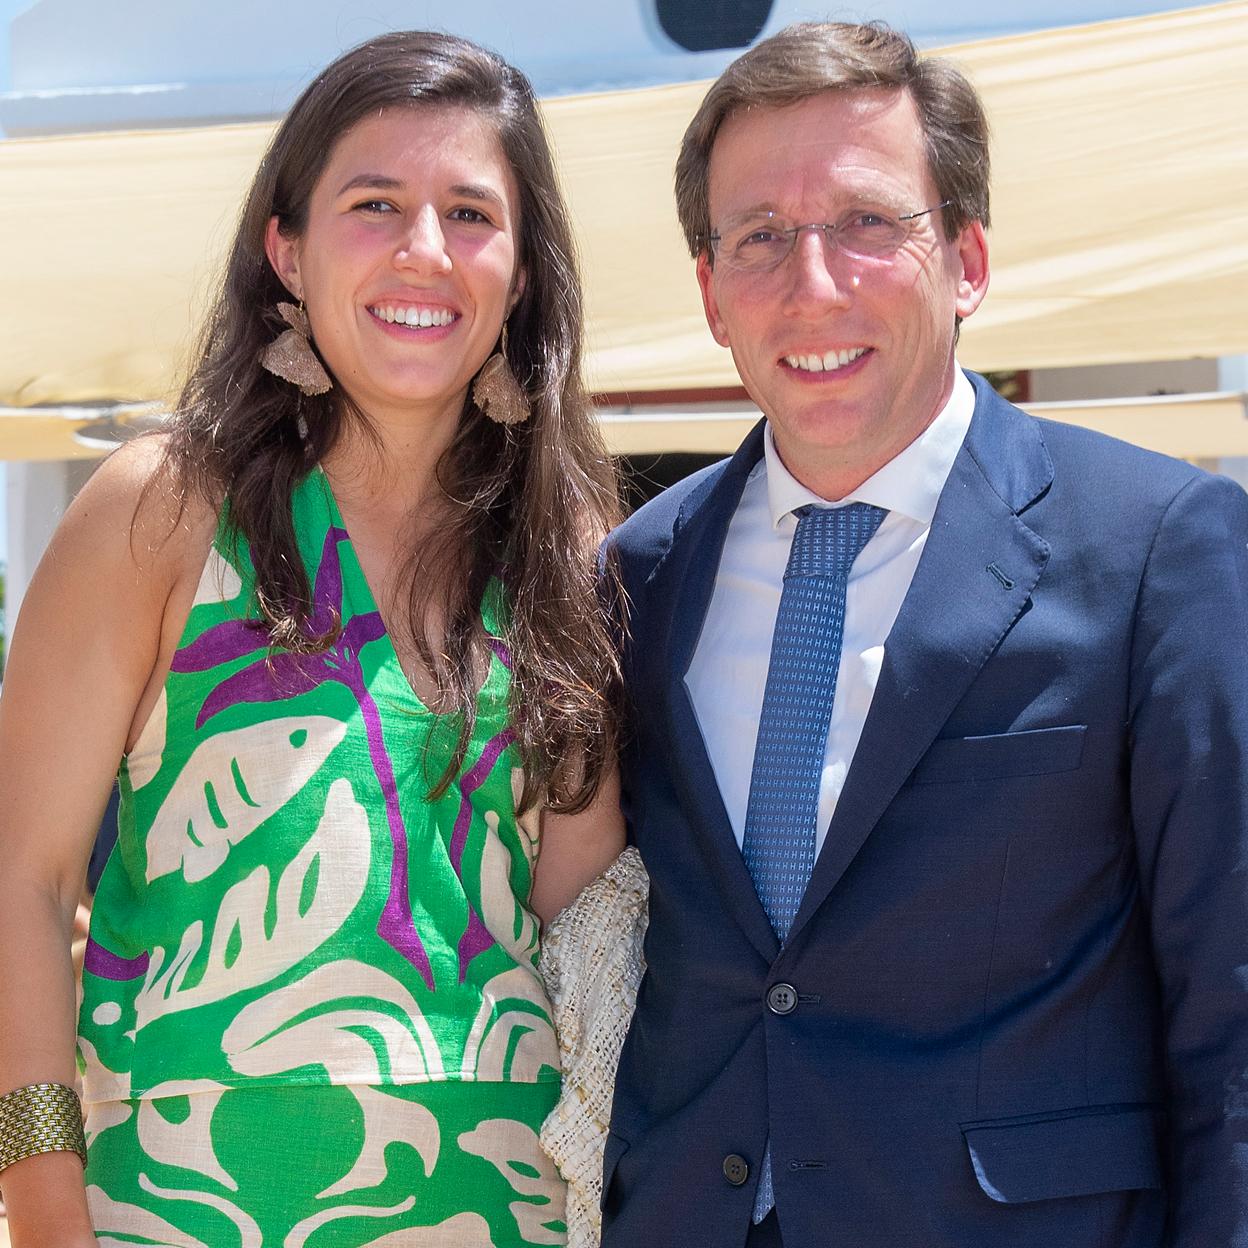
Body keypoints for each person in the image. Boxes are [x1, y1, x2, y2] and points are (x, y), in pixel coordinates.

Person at [601, 20, 1248, 1248]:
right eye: (762, 238)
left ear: (966, 258)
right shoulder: (641, 573)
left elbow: (1233, 1008)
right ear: (710, 293)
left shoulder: (1162, 545)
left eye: (866, 224)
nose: (815, 283)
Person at [0, 31, 624, 1247]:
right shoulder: (161, 507)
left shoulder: (570, 547)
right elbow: (21, 882)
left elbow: (587, 908)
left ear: (525, 274)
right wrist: (39, 1203)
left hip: (504, 1213)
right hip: (181, 1209)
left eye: (470, 213)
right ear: (287, 248)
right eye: (375, 204)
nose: (423, 251)